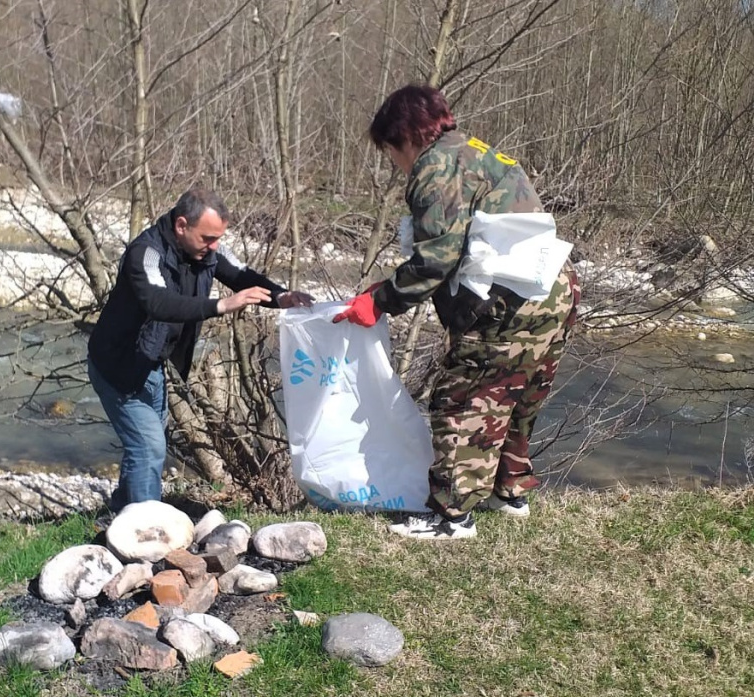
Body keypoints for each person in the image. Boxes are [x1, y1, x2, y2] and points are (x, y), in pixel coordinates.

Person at [334, 84, 580, 540]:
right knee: (519, 393)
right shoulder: (480, 152)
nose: (394, 162)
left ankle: (452, 517)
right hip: (556, 288)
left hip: (511, 303)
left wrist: (381, 300)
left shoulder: (435, 167)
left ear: (404, 137)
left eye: (391, 151)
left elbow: (437, 258)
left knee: (462, 399)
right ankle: (511, 491)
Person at [87, 187, 314, 511]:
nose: (215, 247)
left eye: (218, 238)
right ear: (182, 226)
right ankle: (145, 530)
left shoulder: (206, 250)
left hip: (151, 363)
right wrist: (221, 304)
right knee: (149, 446)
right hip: (116, 365)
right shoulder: (146, 252)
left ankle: (119, 513)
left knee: (146, 444)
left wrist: (280, 296)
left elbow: (242, 275)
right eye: (208, 238)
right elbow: (158, 302)